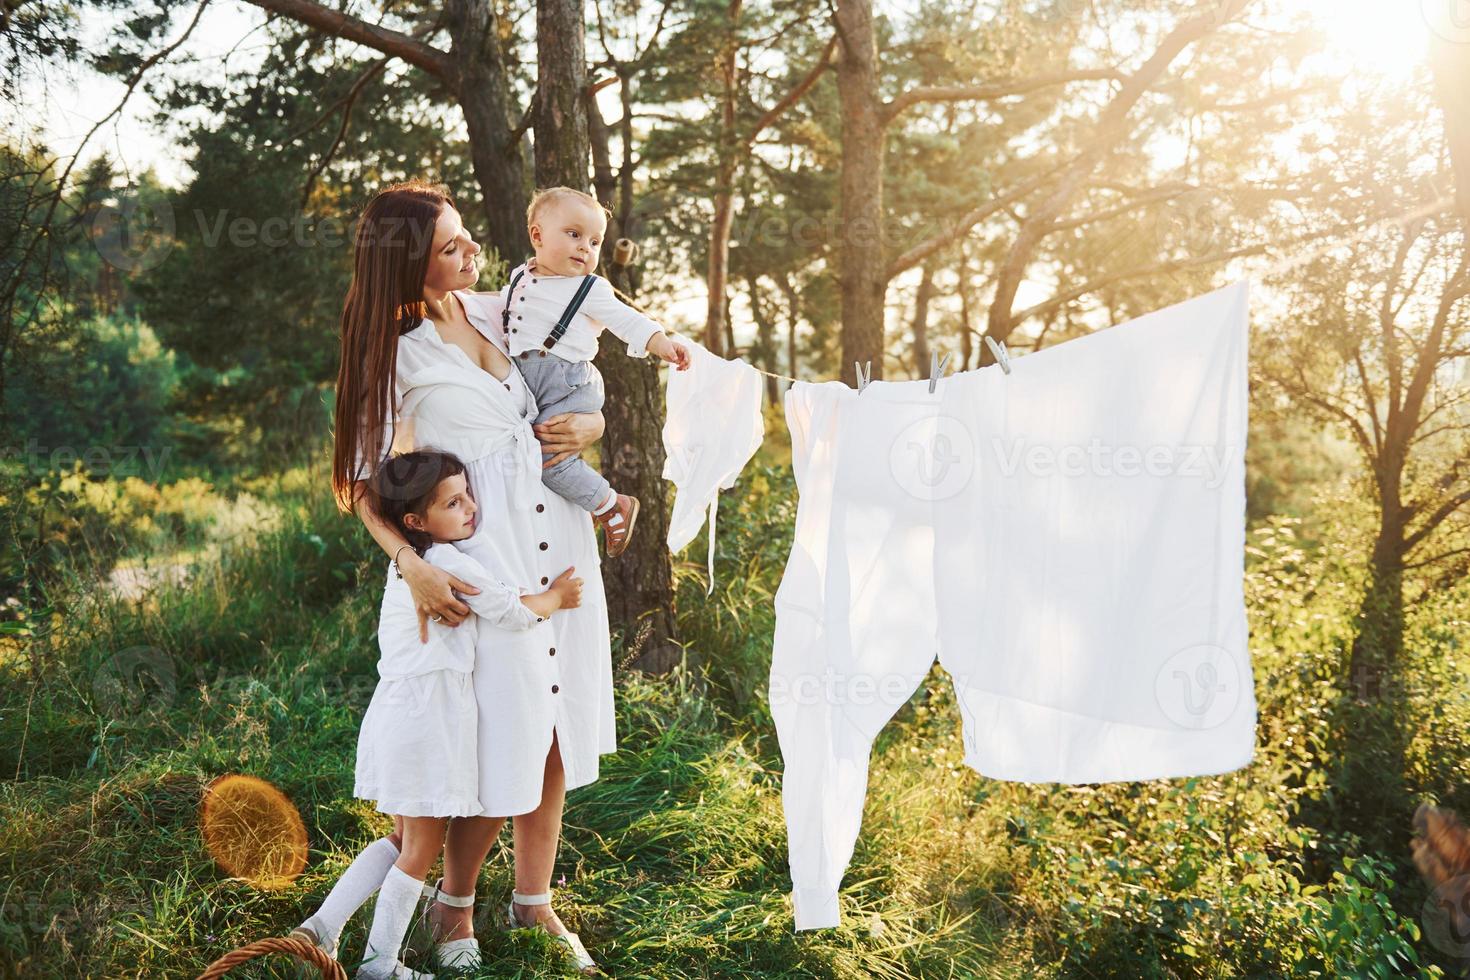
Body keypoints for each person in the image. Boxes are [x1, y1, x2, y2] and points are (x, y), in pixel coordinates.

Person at [327, 180, 614, 974]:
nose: (472, 253)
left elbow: (571, 378)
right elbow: (360, 483)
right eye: (450, 247)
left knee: (556, 726)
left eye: (465, 238)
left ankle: (533, 901)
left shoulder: (498, 308)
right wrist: (412, 566)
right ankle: (452, 911)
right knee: (502, 729)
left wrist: (593, 420)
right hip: (489, 561)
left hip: (559, 544)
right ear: (406, 265)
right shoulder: (394, 349)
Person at [304, 449, 581, 978]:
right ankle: (379, 964)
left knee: (403, 839)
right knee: (420, 848)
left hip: (399, 711)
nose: (471, 508)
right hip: (428, 722)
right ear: (416, 522)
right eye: (454, 503)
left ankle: (319, 929)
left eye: (468, 494)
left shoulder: (410, 565)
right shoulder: (446, 562)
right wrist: (556, 597)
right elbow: (509, 609)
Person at [500, 186, 691, 557]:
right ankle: (577, 505)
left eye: (594, 241)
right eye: (574, 235)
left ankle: (611, 504)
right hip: (530, 384)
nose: (585, 248)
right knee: (528, 457)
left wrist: (662, 344)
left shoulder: (589, 288)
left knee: (550, 461)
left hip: (567, 383)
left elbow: (628, 321)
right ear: (537, 235)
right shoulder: (518, 278)